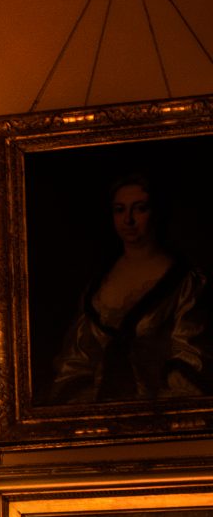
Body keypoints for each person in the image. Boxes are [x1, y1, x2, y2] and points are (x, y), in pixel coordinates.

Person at [49, 173, 212, 406]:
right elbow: (78, 358)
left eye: (140, 209)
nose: (128, 220)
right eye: (119, 210)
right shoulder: (98, 285)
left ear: (156, 212)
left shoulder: (185, 281)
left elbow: (193, 358)